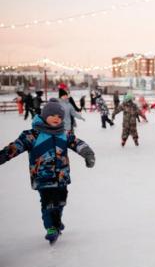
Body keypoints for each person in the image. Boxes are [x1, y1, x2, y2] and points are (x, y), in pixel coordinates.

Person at [0, 99, 96, 245]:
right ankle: (51, 227)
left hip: (62, 176)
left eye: (59, 116)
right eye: (53, 115)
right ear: (45, 116)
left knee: (61, 200)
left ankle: (56, 220)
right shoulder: (32, 135)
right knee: (48, 202)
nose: (57, 118)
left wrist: (88, 154)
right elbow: (15, 147)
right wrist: (2, 156)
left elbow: (78, 143)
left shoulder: (64, 134)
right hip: (43, 177)